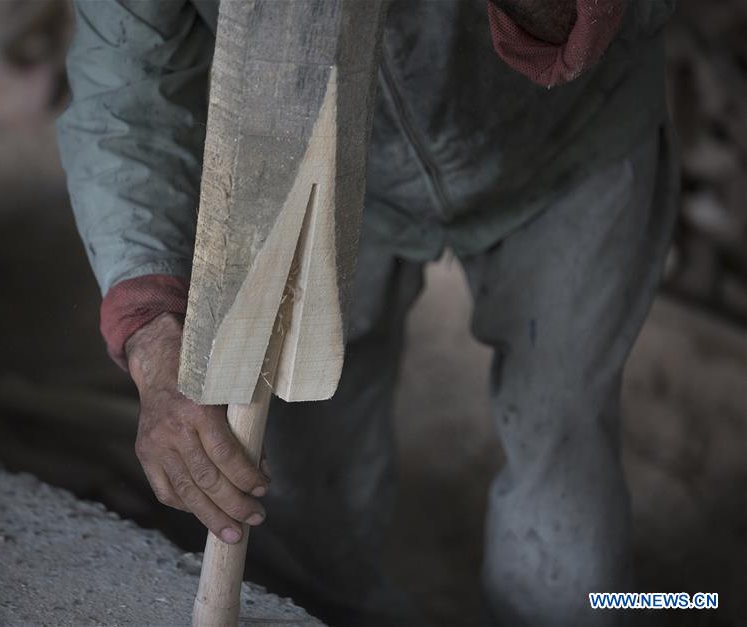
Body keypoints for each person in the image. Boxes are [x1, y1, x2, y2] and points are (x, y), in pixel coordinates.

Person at [56, 1, 677, 624]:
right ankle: (326, 608)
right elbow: (124, 93)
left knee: (561, 430)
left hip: (569, 142)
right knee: (301, 450)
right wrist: (152, 334)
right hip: (322, 162)